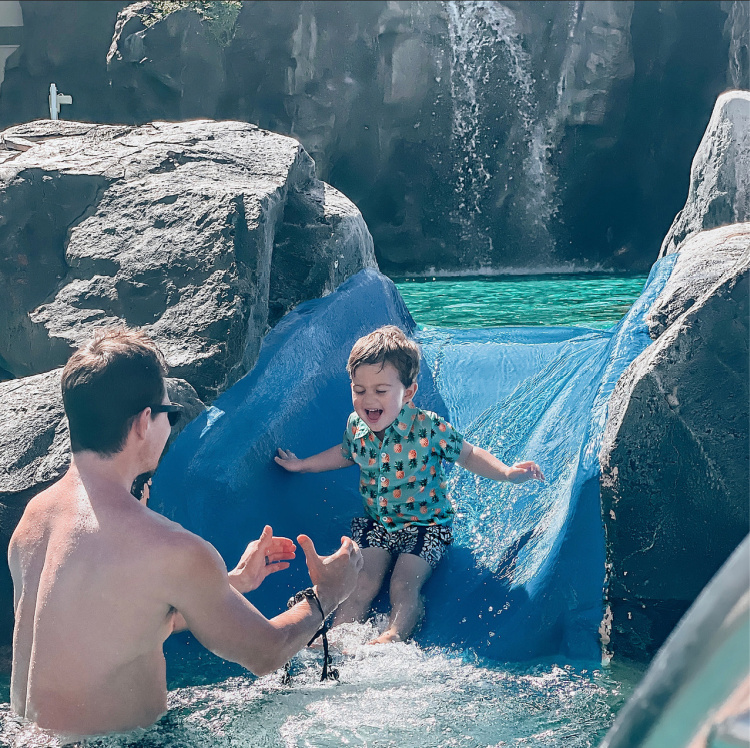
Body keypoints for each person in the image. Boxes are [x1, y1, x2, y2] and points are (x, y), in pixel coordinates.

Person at [8, 327, 362, 738]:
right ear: (144, 422)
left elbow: (116, 620)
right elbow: (266, 652)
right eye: (168, 412)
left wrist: (233, 583)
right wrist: (330, 592)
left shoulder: (34, 520)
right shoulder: (168, 547)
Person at [275, 325, 544, 644]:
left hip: (426, 525)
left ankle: (393, 636)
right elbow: (346, 453)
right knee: (361, 583)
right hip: (380, 524)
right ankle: (337, 640)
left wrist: (507, 473)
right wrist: (303, 464)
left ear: (409, 392)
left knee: (403, 584)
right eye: (359, 390)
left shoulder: (428, 427)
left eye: (380, 390)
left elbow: (469, 455)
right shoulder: (357, 426)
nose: (368, 400)